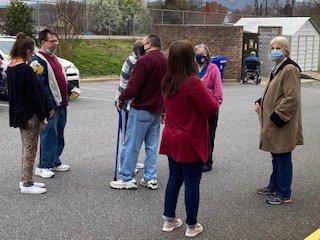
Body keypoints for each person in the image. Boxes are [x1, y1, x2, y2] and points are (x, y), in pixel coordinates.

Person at [160, 41, 219, 238]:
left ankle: (169, 220)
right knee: (192, 182)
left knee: (174, 179)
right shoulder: (193, 83)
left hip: (172, 137)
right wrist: (206, 91)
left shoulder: (168, 80)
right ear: (189, 59)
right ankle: (191, 225)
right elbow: (211, 108)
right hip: (190, 138)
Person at [110, 34, 167, 190]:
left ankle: (127, 177)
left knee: (132, 144)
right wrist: (164, 110)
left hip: (141, 108)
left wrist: (121, 98)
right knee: (152, 145)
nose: (141, 46)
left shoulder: (144, 61)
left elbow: (133, 87)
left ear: (148, 44)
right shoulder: (166, 61)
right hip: (156, 109)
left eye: (143, 43)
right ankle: (150, 177)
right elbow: (166, 88)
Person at [255, 36, 303, 205]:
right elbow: (275, 92)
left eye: (279, 48)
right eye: (272, 48)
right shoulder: (277, 68)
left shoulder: (289, 69)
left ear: (286, 50)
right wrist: (260, 101)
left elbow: (292, 98)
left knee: (282, 157)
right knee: (276, 156)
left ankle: (284, 193)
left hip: (281, 122)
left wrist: (277, 116)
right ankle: (274, 185)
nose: (274, 51)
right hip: (274, 122)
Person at [31, 29, 79, 179]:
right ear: (43, 42)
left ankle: (54, 161)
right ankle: (43, 165)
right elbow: (41, 86)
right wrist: (48, 106)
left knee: (59, 133)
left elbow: (61, 79)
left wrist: (70, 89)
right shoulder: (37, 60)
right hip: (51, 106)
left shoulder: (54, 58)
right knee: (49, 134)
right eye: (52, 41)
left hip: (62, 103)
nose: (55, 44)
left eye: (56, 41)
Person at [6, 32, 47, 194]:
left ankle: (27, 179)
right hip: (30, 114)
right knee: (30, 149)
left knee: (27, 147)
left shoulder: (11, 67)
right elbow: (35, 96)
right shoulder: (26, 70)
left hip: (18, 112)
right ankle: (26, 184)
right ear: (28, 51)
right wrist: (43, 115)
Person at [114, 40, 144, 171]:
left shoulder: (136, 60)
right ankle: (125, 164)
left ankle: (132, 161)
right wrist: (121, 100)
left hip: (130, 102)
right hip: (125, 103)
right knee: (127, 136)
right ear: (139, 51)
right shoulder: (133, 62)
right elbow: (128, 85)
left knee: (132, 135)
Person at [194, 44, 223, 172]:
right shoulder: (192, 69)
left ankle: (207, 161)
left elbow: (218, 90)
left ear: (207, 56)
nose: (201, 57)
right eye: (198, 54)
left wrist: (215, 103)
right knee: (196, 135)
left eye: (203, 55)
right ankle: (196, 159)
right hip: (194, 109)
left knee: (209, 135)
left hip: (209, 108)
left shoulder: (213, 68)